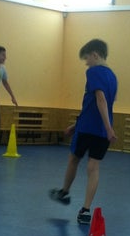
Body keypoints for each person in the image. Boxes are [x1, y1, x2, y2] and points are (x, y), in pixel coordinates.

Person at [49, 38, 117, 225]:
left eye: (87, 59)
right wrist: (77, 124)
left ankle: (64, 192)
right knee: (93, 168)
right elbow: (96, 104)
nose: (86, 63)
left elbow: (100, 99)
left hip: (88, 129)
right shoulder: (113, 76)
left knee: (74, 159)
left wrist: (108, 128)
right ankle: (85, 210)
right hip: (100, 131)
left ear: (95, 55)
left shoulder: (93, 72)